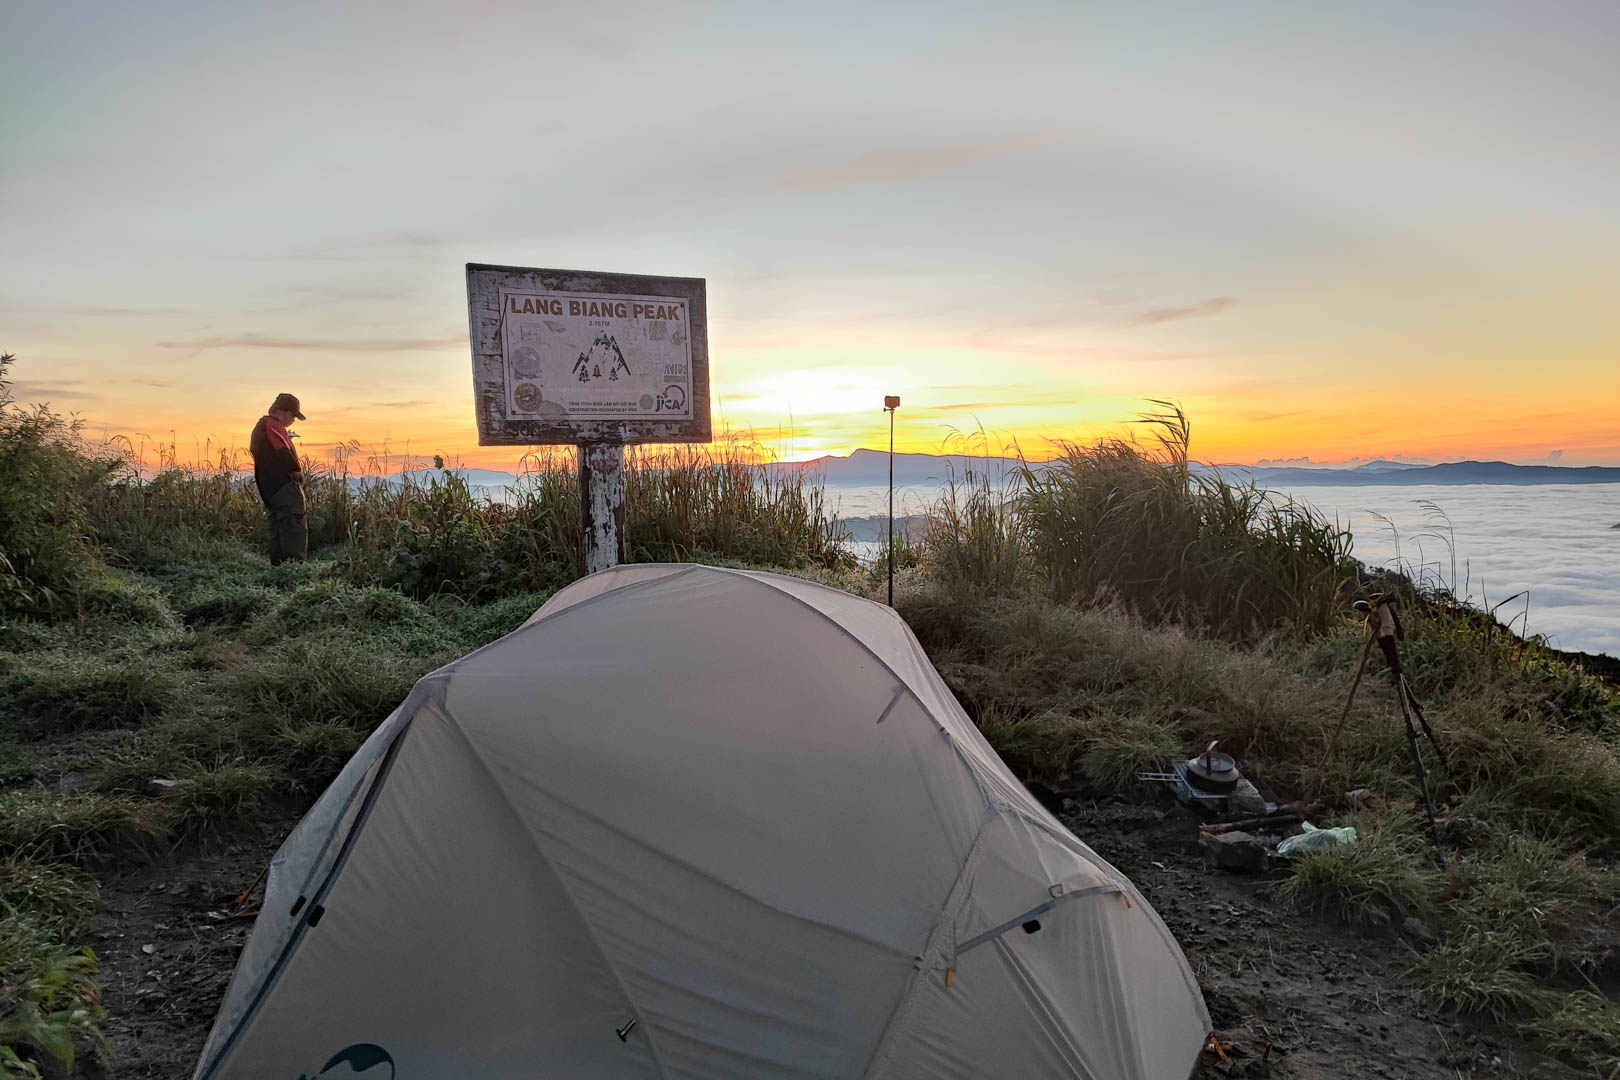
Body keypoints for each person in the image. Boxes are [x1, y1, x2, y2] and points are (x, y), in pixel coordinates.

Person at [249, 393, 308, 564]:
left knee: (277, 527)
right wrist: (295, 470)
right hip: (283, 485)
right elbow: (282, 451)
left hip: (268, 487)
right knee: (293, 526)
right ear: (284, 412)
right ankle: (294, 569)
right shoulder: (272, 425)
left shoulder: (260, 427)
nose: (293, 421)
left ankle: (278, 568)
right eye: (293, 416)